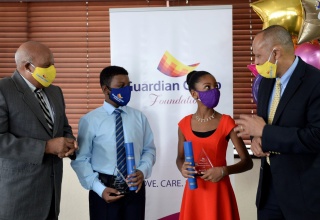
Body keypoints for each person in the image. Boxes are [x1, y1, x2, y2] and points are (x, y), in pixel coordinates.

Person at [234, 25, 320, 220]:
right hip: (269, 194)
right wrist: (257, 139)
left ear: (275, 53)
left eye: (258, 56)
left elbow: (319, 136)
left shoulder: (318, 83)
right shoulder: (266, 81)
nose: (255, 62)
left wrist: (265, 133)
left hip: (303, 197)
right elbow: (264, 125)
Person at [0, 41, 78, 220]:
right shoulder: (3, 90)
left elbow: (63, 127)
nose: (52, 69)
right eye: (47, 65)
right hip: (18, 198)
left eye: (53, 64)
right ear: (27, 66)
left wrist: (69, 141)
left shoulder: (55, 92)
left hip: (51, 195)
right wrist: (46, 147)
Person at [71, 65, 156, 220]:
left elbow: (149, 150)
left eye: (129, 85)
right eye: (121, 86)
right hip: (104, 189)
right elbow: (81, 159)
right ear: (106, 89)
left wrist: (142, 171)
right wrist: (99, 188)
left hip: (134, 188)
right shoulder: (90, 120)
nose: (127, 89)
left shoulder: (139, 118)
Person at [176, 70, 253, 220]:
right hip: (194, 191)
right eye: (207, 87)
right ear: (194, 94)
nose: (214, 91)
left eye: (215, 86)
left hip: (219, 191)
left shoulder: (227, 122)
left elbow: (247, 162)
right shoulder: (184, 124)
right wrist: (182, 168)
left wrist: (224, 171)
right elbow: (179, 158)